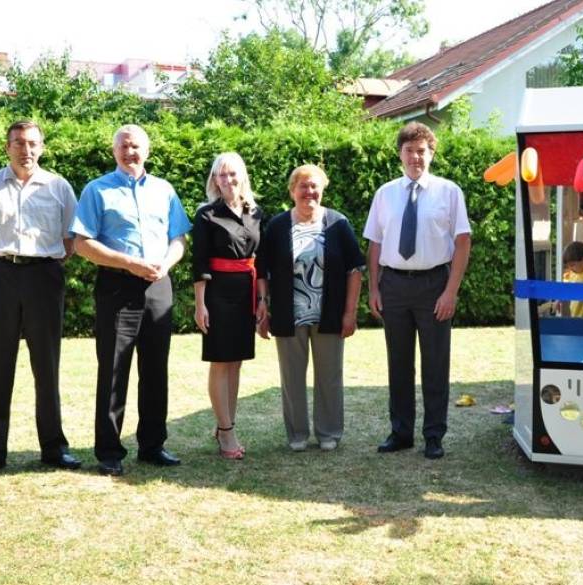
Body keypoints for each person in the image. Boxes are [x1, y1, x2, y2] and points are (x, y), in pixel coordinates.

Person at [0, 120, 81, 477]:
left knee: (47, 365)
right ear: (7, 147)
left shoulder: (59, 187)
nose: (25, 149)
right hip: (0, 275)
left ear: (41, 147)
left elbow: (70, 240)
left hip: (44, 275)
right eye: (18, 143)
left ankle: (54, 449)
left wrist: (42, 266)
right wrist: (0, 271)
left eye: (32, 143)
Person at [72, 124, 191, 476]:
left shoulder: (164, 190)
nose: (129, 152)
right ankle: (109, 451)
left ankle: (153, 445)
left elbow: (178, 238)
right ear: (114, 152)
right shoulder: (96, 190)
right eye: (123, 146)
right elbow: (82, 244)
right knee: (113, 369)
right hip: (116, 286)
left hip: (158, 285)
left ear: (147, 150)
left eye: (136, 146)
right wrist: (129, 263)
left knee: (155, 368)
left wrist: (165, 264)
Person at [364, 121, 472, 460]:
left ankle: (434, 435)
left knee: (435, 363)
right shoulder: (385, 194)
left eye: (421, 151)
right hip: (394, 285)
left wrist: (450, 292)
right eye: (409, 151)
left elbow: (463, 242)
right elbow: (375, 244)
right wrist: (374, 289)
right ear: (400, 154)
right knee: (398, 362)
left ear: (431, 154)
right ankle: (401, 433)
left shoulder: (449, 192)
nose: (415, 157)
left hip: (434, 285)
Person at [256, 164, 365, 452]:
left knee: (329, 376)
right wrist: (262, 306)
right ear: (292, 191)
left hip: (329, 313)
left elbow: (355, 270)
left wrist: (350, 313)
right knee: (291, 377)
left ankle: (329, 432)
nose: (309, 191)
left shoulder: (338, 223)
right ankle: (297, 434)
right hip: (287, 314)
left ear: (323, 189)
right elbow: (262, 271)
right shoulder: (278, 226)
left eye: (314, 185)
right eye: (302, 186)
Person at [192, 152, 263, 460]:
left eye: (233, 173)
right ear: (214, 180)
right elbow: (199, 263)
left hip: (247, 293)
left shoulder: (256, 213)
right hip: (218, 295)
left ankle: (226, 424)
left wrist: (262, 300)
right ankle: (226, 432)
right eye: (222, 174)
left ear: (242, 176)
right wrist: (200, 305)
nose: (228, 179)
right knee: (221, 361)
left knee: (236, 362)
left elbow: (261, 260)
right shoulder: (206, 214)